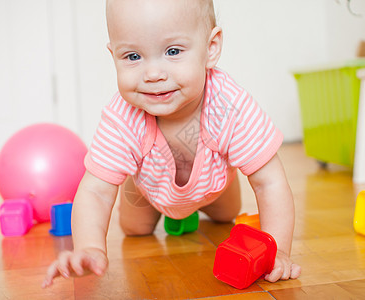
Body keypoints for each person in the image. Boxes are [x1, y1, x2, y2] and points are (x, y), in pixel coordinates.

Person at [42, 0, 301, 288]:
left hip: (213, 186)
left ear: (211, 48)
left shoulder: (229, 105)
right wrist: (90, 248)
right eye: (132, 56)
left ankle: (227, 175)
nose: (153, 74)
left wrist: (278, 251)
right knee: (134, 229)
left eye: (173, 51)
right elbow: (96, 192)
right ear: (113, 54)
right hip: (150, 189)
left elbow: (270, 183)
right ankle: (131, 176)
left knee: (227, 215)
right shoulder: (122, 117)